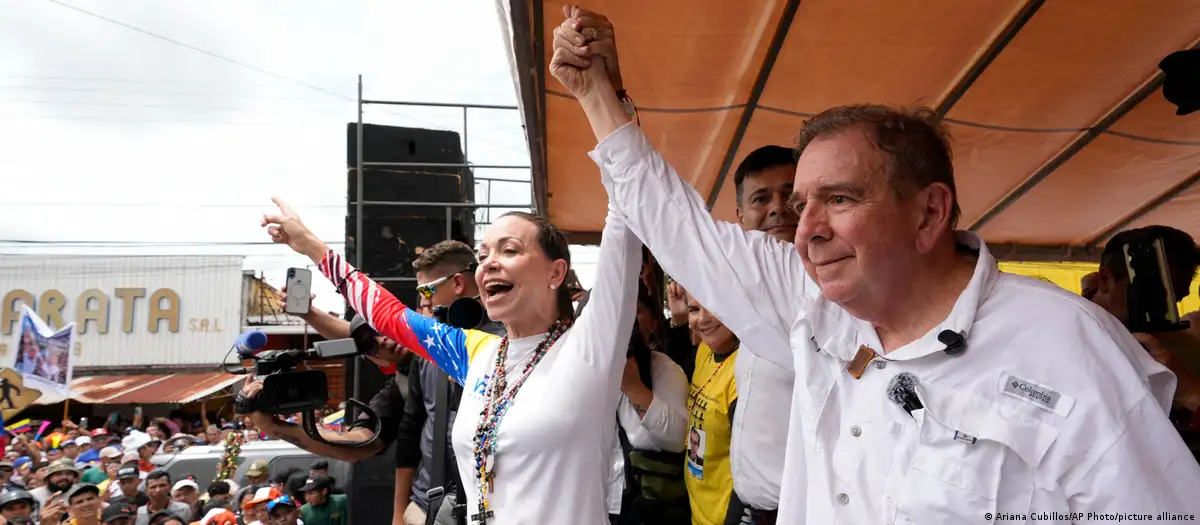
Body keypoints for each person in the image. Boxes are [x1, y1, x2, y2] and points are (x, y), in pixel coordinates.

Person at [551, 6, 1200, 522]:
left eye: (839, 199)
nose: (805, 230)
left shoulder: (1068, 346)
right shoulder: (812, 306)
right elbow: (676, 224)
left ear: (929, 213)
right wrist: (598, 93)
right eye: (802, 204)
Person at [252, 193, 640, 525]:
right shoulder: (476, 351)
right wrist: (311, 247)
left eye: (509, 250)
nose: (488, 263)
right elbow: (388, 315)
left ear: (556, 272)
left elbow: (622, 227)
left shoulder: (589, 347)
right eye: (484, 254)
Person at [399, 240, 504, 525]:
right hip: (425, 506)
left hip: (494, 507)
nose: (425, 301)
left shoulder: (506, 342)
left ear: (457, 283)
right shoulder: (428, 346)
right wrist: (400, 513)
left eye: (426, 290)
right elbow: (412, 425)